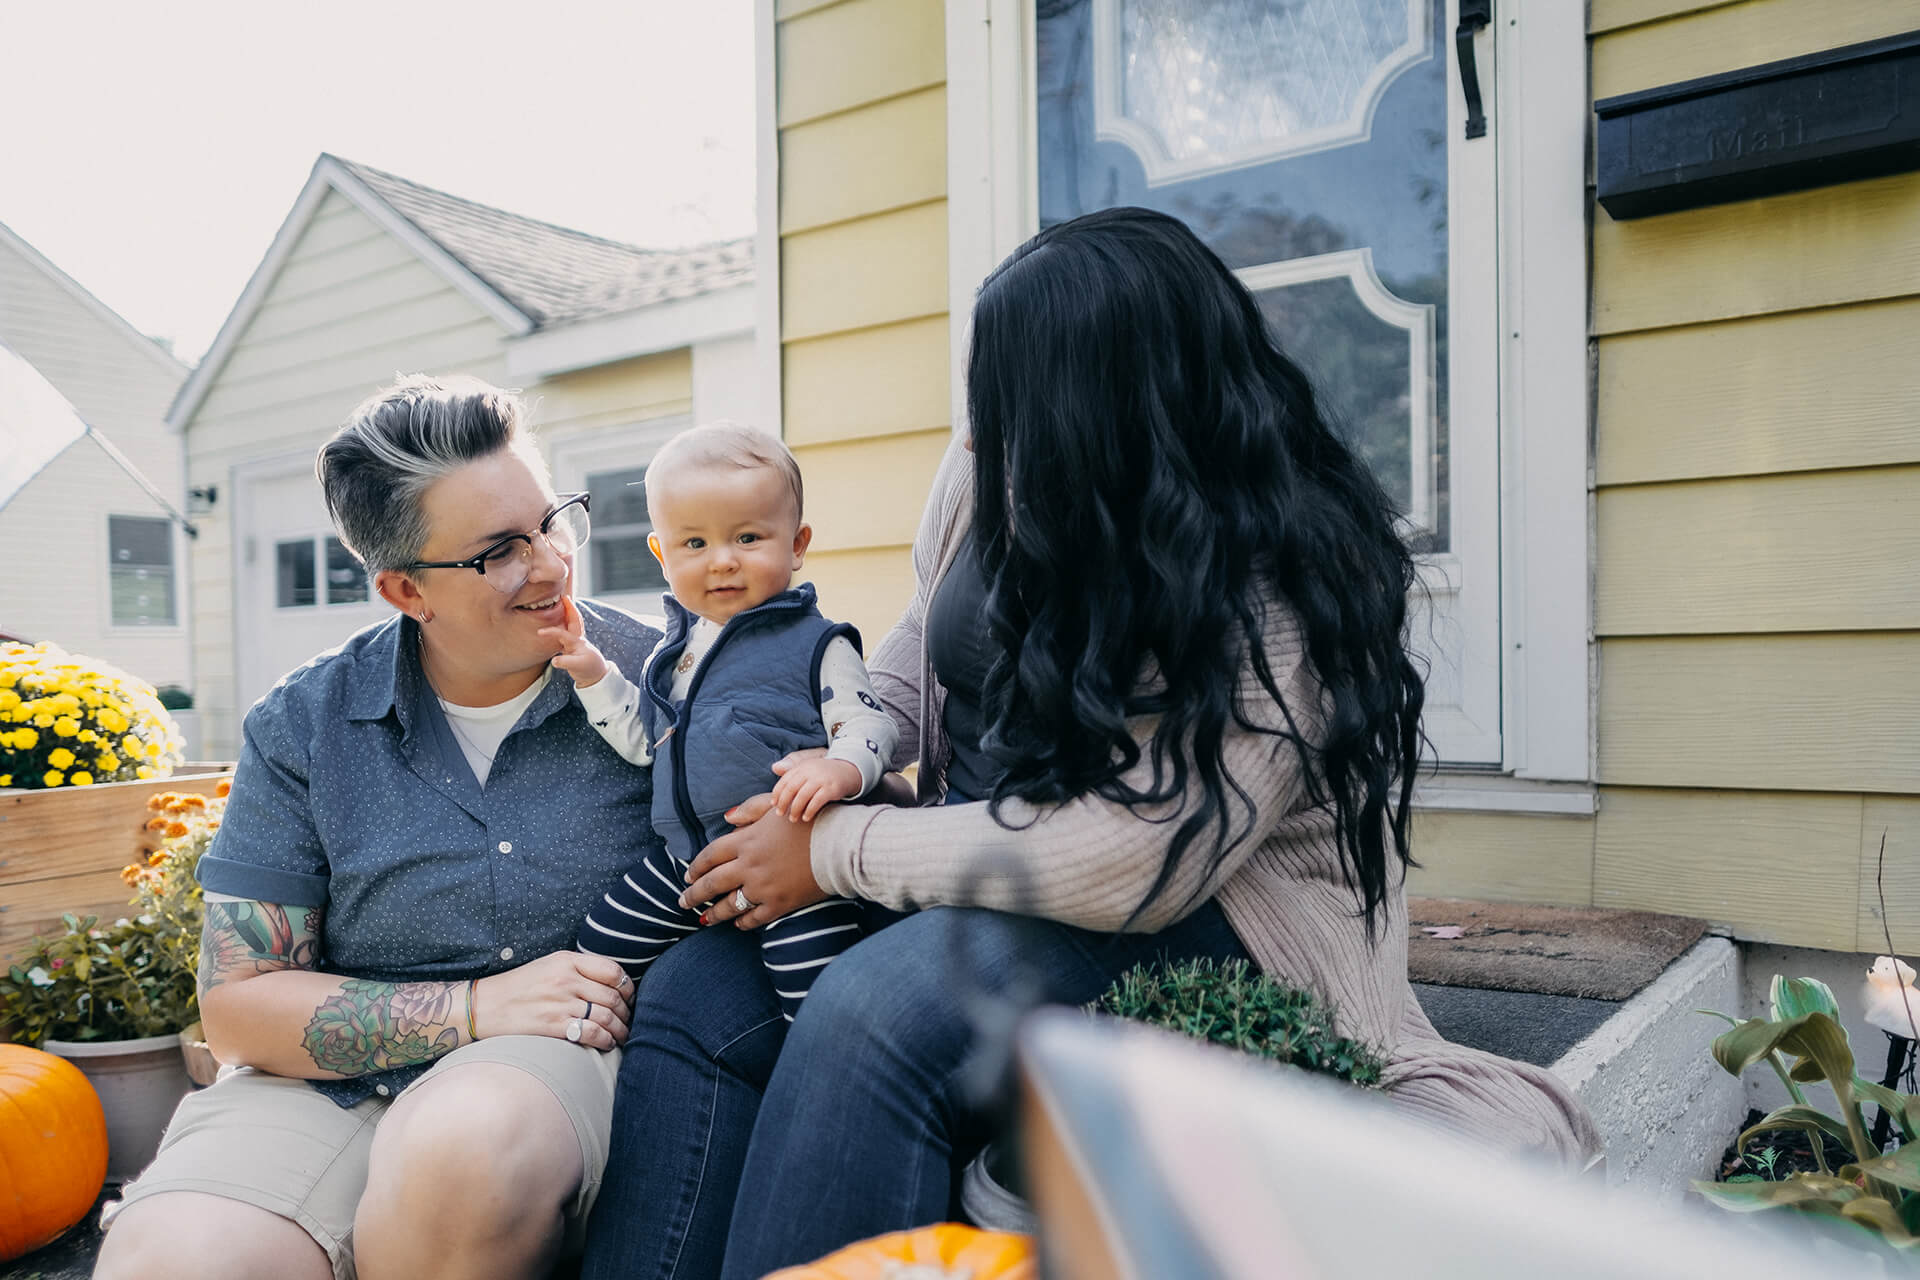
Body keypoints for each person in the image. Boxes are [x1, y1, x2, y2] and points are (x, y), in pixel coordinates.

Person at [579, 208, 1602, 1280]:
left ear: (1117, 402)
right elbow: (924, 640)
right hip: (965, 853)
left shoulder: (1275, 571)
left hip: (1207, 903)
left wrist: (840, 851)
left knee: (877, 1012)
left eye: (1017, 396)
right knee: (698, 988)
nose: (986, 427)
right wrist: (841, 762)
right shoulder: (995, 458)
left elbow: (1136, 851)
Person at [97, 375, 661, 1280]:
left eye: (552, 521)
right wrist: (472, 1007)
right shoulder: (305, 722)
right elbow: (240, 1006)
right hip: (322, 1083)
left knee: (461, 1158)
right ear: (405, 589)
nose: (553, 565)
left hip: (540, 1066)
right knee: (173, 1259)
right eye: (499, 552)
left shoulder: (665, 678)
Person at [542, 422, 897, 1020]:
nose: (723, 562)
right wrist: (596, 678)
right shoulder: (674, 654)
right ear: (662, 554)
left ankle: (817, 1078)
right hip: (688, 857)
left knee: (815, 1000)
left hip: (793, 862)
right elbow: (647, 743)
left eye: (749, 537)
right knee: (601, 944)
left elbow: (869, 727)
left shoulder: (816, 643)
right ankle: (602, 1041)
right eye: (695, 545)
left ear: (798, 543)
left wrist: (841, 769)